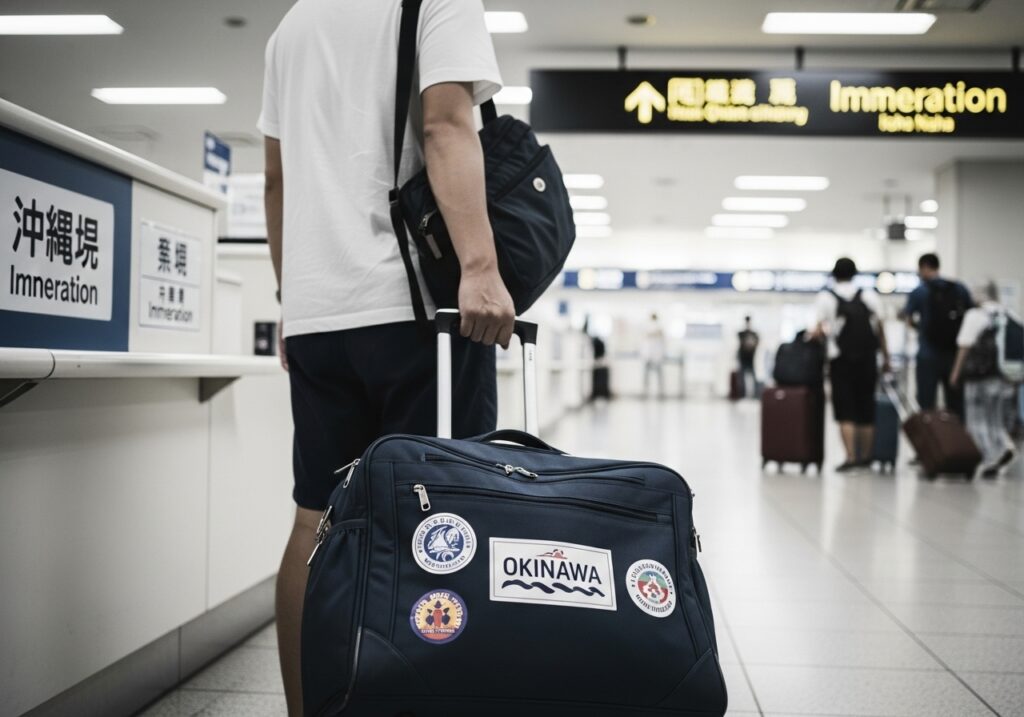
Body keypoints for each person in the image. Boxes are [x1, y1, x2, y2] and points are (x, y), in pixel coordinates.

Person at [258, 1, 513, 712]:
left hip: (317, 317)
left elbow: (275, 181)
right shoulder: (439, 1)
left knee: (316, 520)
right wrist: (481, 267)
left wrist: (291, 300)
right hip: (415, 314)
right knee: (447, 519)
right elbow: (446, 123)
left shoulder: (293, 25)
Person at [813, 258, 892, 472]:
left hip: (840, 360)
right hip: (868, 359)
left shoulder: (826, 297)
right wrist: (886, 358)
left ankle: (851, 457)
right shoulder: (867, 295)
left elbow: (820, 329)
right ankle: (866, 457)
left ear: (834, 274)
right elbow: (880, 327)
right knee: (866, 407)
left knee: (845, 409)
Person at [950, 282, 1019, 478]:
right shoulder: (1010, 314)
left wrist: (956, 373)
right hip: (1005, 376)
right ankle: (1005, 447)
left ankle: (988, 458)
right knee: (996, 419)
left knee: (977, 419)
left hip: (979, 376)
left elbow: (964, 345)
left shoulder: (976, 315)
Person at [902, 253, 973, 418]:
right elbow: (970, 315)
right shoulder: (959, 288)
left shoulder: (920, 291)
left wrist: (919, 328)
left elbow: (907, 317)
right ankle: (956, 440)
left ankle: (931, 442)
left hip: (927, 355)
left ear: (924, 267)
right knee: (955, 405)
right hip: (954, 356)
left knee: (926, 405)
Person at [642, 312, 667, 398]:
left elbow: (661, 342)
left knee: (656, 376)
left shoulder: (658, 328)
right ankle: (648, 392)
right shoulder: (649, 328)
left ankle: (658, 392)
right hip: (651, 355)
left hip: (654, 355)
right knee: (649, 376)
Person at [737, 316, 760, 398]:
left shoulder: (754, 334)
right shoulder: (741, 333)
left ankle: (756, 395)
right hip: (743, 358)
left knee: (753, 378)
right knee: (741, 379)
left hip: (751, 359)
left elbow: (756, 343)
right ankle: (742, 394)